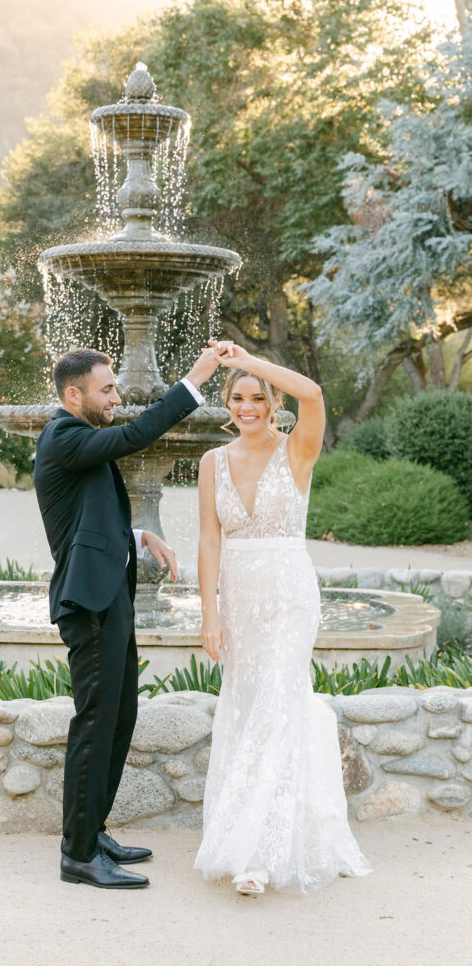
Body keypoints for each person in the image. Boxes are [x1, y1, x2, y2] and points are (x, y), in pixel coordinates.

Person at [33, 344, 221, 889]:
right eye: (107, 389)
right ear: (75, 394)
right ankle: (78, 853)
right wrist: (196, 378)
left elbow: (85, 516)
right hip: (88, 600)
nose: (117, 397)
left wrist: (138, 535)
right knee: (95, 723)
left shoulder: (77, 440)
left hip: (107, 592)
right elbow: (137, 437)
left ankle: (92, 831)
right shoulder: (63, 436)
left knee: (119, 716)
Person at [194, 341, 371, 896]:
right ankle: (255, 834)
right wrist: (209, 613)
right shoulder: (211, 462)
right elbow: (208, 539)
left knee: (275, 704)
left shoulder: (298, 451)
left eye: (257, 398)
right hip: (240, 601)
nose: (247, 407)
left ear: (273, 404)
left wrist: (245, 360)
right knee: (249, 711)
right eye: (238, 397)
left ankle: (259, 856)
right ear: (228, 405)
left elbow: (314, 393)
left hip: (290, 596)